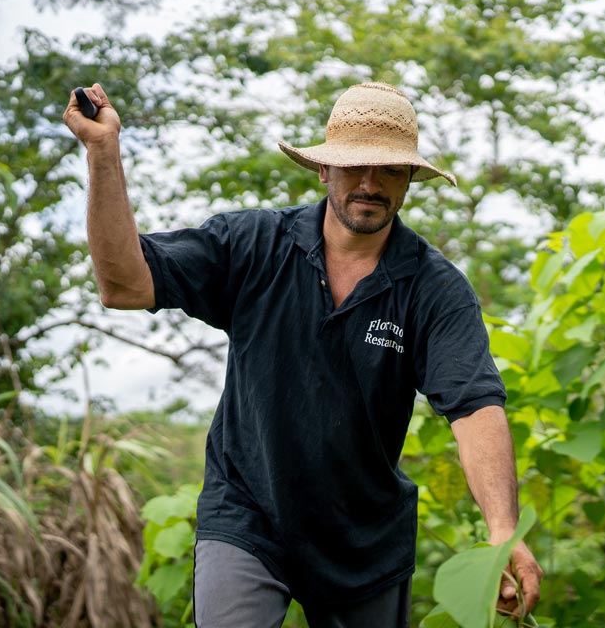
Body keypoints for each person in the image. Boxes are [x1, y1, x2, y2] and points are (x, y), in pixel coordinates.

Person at [63, 80, 542, 627]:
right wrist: (103, 155)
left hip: (364, 541)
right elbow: (124, 285)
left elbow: (475, 405)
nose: (369, 183)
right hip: (248, 517)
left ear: (409, 178)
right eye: (353, 166)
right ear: (323, 170)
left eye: (388, 169)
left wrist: (504, 531)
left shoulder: (433, 288)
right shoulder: (254, 245)